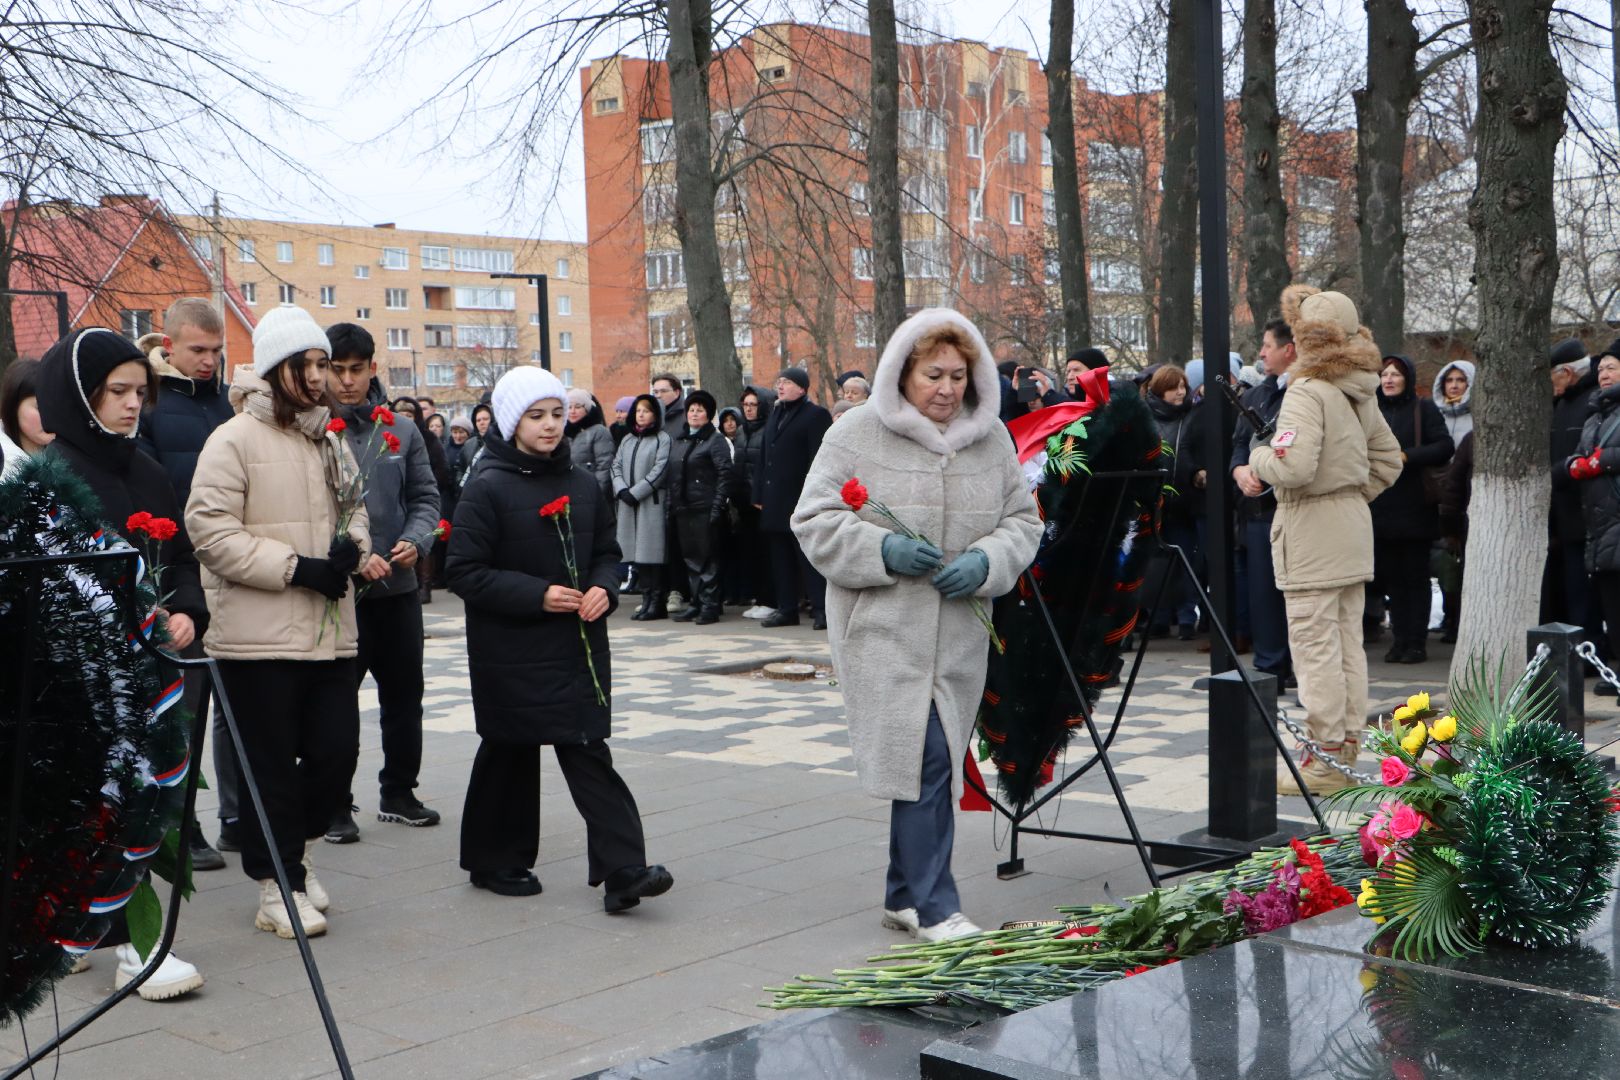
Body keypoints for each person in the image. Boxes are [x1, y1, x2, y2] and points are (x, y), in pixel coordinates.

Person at [793, 308, 1041, 942]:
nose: (948, 388)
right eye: (934, 374)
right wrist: (882, 551)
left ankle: (904, 896)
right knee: (927, 757)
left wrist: (988, 561)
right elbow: (814, 519)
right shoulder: (856, 433)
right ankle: (936, 906)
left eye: (959, 375)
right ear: (902, 372)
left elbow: (1023, 523)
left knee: (932, 760)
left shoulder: (992, 439)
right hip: (882, 630)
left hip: (958, 637)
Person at [445, 365, 672, 910]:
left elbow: (606, 556)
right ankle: (495, 859)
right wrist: (537, 595)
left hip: (577, 646)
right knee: (509, 752)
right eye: (535, 416)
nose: (550, 426)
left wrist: (603, 589)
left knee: (588, 748)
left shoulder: (582, 483)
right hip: (511, 648)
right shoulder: (486, 487)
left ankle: (623, 872)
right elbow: (464, 571)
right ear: (509, 421)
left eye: (555, 414)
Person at [185, 304, 371, 940]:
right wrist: (296, 568)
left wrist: (354, 552)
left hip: (331, 634)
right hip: (256, 639)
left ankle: (302, 859)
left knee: (335, 757)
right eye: (309, 364)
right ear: (276, 368)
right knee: (268, 768)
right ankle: (276, 886)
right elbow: (210, 532)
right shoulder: (232, 439)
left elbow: (357, 512)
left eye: (325, 364)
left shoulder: (331, 438)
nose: (321, 376)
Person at [36, 326, 210, 1000]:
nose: (135, 405)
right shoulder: (50, 481)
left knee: (148, 803)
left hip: (158, 667)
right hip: (83, 682)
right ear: (80, 395)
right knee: (99, 807)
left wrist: (188, 609)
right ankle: (123, 941)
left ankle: (122, 937)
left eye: (142, 391)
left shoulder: (149, 471)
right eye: (118, 392)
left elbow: (184, 559)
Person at [1248, 286, 1401, 797]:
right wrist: (1351, 495)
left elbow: (1292, 465)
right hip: (1350, 529)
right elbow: (1388, 460)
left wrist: (1258, 460)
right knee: (1345, 644)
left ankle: (1326, 756)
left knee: (1315, 648)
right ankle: (1348, 745)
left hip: (1312, 532)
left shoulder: (1309, 391)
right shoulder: (1360, 389)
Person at [322, 323, 442, 844]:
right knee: (335, 705)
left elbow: (426, 498)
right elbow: (308, 512)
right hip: (341, 593)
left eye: (356, 369)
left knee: (403, 697)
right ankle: (333, 803)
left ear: (373, 368)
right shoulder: (313, 428)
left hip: (397, 591)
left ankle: (398, 792)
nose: (346, 381)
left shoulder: (403, 430)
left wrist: (418, 541)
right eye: (336, 369)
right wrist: (353, 557)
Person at [131, 298, 236, 870]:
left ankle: (240, 818)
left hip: (237, 571)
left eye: (217, 351)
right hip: (181, 573)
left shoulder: (229, 403)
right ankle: (181, 823)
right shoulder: (146, 404)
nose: (209, 361)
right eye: (198, 350)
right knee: (185, 710)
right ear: (167, 343)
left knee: (241, 705)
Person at [1369, 354, 1453, 664]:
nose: (1388, 379)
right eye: (1384, 374)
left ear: (1407, 378)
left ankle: (1416, 641)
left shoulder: (1423, 408)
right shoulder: (1372, 411)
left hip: (1415, 507)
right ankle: (1399, 639)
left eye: (1395, 374)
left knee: (1415, 579)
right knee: (1391, 579)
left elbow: (1445, 446)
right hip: (1381, 508)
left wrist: (1406, 456)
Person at [1231, 319, 1297, 687]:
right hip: (1257, 511)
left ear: (1289, 349)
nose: (1261, 352)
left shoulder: (1306, 393)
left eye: (1268, 345)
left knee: (1295, 593)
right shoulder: (1255, 396)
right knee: (1262, 592)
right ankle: (1270, 665)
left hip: (1292, 508)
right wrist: (1240, 471)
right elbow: (1239, 443)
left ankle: (1298, 666)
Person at [753, 367, 832, 629]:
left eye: (786, 382)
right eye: (779, 382)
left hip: (801, 499)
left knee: (808, 559)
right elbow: (765, 456)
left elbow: (818, 460)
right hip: (775, 501)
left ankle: (822, 610)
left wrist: (813, 496)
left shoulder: (816, 415)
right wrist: (759, 493)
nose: (780, 386)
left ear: (802, 387)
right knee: (780, 558)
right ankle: (787, 609)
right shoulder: (776, 413)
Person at [1564, 348, 1620, 674]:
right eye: (1600, 370)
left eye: (1611, 368)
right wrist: (1577, 466)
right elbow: (1576, 456)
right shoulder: (1595, 414)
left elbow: (1604, 456)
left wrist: (1602, 461)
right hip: (1598, 526)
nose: (1604, 374)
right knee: (1610, 606)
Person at [1143, 364, 1207, 640]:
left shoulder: (1192, 416)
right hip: (1154, 501)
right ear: (1160, 390)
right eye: (1174, 387)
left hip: (1184, 500)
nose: (1181, 392)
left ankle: (1185, 617)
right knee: (1156, 563)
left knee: (1187, 561)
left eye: (1183, 386)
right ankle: (1157, 616)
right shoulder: (1146, 418)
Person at [1546, 339, 1599, 656]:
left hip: (1587, 517)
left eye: (1553, 375)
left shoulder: (1592, 402)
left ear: (1567, 372)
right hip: (1565, 519)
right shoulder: (1563, 403)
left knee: (1586, 595)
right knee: (1571, 590)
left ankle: (1590, 654)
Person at [664, 389, 733, 624]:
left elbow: (725, 474)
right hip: (684, 508)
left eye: (700, 410)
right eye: (691, 409)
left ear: (708, 415)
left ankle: (710, 605)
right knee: (690, 558)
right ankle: (697, 602)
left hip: (705, 506)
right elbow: (672, 474)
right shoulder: (680, 440)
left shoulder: (715, 440)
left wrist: (717, 506)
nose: (694, 413)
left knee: (708, 558)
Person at [612, 393, 672, 619]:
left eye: (646, 411)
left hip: (650, 504)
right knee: (637, 556)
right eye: (638, 411)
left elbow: (660, 469)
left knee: (652, 555)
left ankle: (657, 602)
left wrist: (636, 492)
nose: (641, 414)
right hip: (629, 504)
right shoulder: (628, 439)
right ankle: (646, 599)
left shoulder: (662, 439)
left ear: (655, 414)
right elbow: (615, 465)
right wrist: (621, 489)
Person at [1430, 360, 1474, 643]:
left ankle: (1460, 617)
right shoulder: (1435, 415)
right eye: (1450, 380)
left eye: (1461, 380)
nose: (1455, 385)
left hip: (1463, 492)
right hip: (1437, 493)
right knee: (1443, 559)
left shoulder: (1475, 419)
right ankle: (1448, 613)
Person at [735, 385, 775, 618]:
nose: (749, 409)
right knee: (750, 552)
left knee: (766, 552)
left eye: (753, 405)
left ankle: (770, 599)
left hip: (762, 500)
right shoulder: (742, 431)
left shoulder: (769, 429)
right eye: (746, 405)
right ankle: (758, 597)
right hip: (743, 501)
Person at [1, 358, 53, 482]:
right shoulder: (4, 470)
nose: (51, 415)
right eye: (39, 407)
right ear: (13, 407)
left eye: (56, 406)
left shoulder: (68, 459)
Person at [566, 388, 615, 502]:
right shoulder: (563, 432)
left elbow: (604, 466)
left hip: (590, 493)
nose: (572, 411)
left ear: (587, 409)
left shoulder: (599, 431)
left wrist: (595, 493)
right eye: (569, 407)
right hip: (568, 494)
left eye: (578, 407)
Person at [651, 372, 686, 437]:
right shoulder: (650, 415)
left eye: (663, 391)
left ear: (676, 392)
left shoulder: (690, 415)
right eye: (656, 392)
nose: (658, 395)